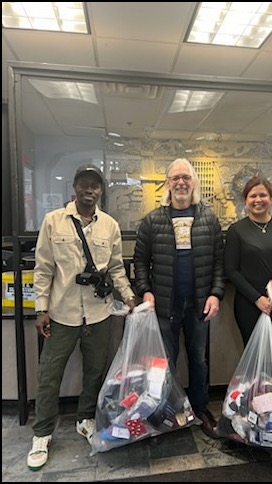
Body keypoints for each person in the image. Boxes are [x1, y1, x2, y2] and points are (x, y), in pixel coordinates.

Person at [27, 164, 136, 471]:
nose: (90, 189)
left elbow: (116, 268)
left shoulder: (110, 226)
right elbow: (44, 268)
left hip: (99, 313)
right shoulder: (53, 221)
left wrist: (128, 296)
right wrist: (41, 308)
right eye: (84, 184)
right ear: (74, 188)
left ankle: (85, 419)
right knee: (49, 375)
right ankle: (42, 433)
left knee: (95, 370)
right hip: (61, 314)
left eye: (95, 185)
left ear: (101, 190)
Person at [133, 158, 225, 439]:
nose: (181, 182)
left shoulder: (209, 219)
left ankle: (200, 408)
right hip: (164, 305)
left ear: (194, 182)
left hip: (199, 305)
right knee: (165, 361)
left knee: (199, 360)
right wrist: (146, 291)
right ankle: (171, 409)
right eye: (175, 178)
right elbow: (139, 262)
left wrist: (215, 294)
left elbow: (219, 264)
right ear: (168, 183)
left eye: (186, 177)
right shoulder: (152, 220)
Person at [224, 175, 272, 346]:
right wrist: (257, 299)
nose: (258, 200)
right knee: (255, 354)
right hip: (248, 303)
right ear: (245, 201)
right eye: (253, 196)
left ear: (271, 199)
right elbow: (231, 270)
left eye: (263, 195)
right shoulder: (236, 230)